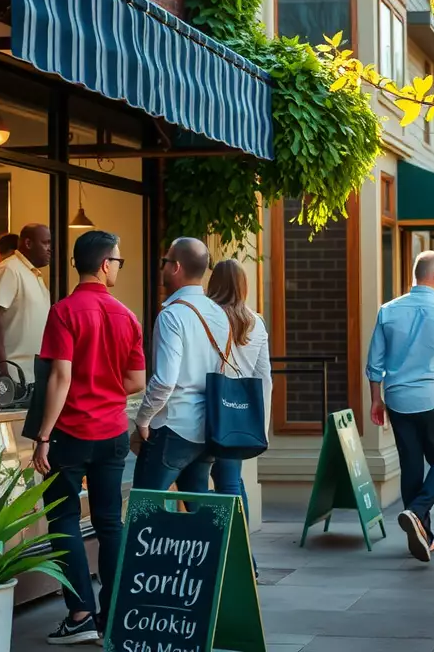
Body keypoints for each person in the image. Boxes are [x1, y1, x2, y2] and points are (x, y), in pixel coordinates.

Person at [32, 230, 145, 645]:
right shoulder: (127, 316)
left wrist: (43, 436)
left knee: (63, 521)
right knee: (109, 524)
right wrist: (107, 386)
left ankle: (80, 614)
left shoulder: (63, 312)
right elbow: (136, 380)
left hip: (69, 434)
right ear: (104, 264)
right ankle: (112, 614)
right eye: (118, 261)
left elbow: (60, 376)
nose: (118, 267)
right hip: (112, 433)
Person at [366, 251, 434, 563]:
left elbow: (375, 363)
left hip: (398, 399)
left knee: (411, 465)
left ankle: (424, 533)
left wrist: (376, 399)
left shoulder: (388, 310)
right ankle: (416, 511)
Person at [134, 238, 262, 491]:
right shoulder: (219, 314)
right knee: (198, 511)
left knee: (144, 508)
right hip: (207, 428)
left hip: (174, 425)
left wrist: (143, 420)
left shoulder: (172, 315)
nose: (162, 268)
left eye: (165, 262)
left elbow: (164, 381)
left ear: (176, 267)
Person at [204, 258, 271, 576]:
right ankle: (245, 561)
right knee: (231, 482)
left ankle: (219, 554)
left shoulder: (202, 316)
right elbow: (264, 377)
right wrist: (262, 423)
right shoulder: (255, 322)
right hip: (237, 417)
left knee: (196, 483)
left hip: (203, 411)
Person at [0, 223, 52, 383]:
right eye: (45, 243)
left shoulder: (33, 274)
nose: (49, 249)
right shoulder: (8, 270)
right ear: (28, 243)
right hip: (13, 374)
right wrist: (1, 365)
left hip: (34, 375)